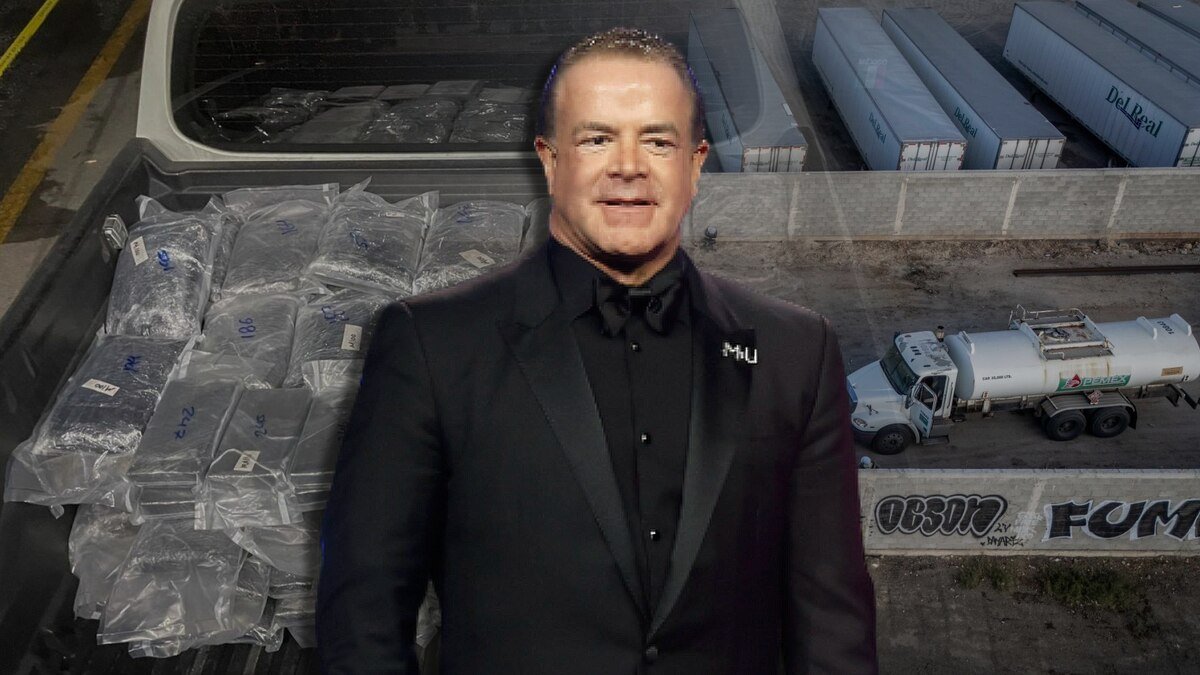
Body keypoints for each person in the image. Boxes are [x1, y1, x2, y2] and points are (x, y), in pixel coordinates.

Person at [318, 27, 877, 674]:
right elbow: (363, 614)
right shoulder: (430, 345)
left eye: (658, 141)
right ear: (550, 161)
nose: (628, 166)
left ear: (695, 165)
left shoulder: (796, 352)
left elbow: (832, 623)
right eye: (597, 139)